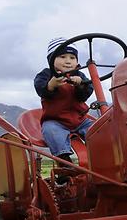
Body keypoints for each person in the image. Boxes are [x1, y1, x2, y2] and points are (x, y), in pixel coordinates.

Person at [34, 37, 94, 165]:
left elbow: (86, 94)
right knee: (51, 131)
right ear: (52, 60)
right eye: (62, 57)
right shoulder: (46, 74)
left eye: (72, 58)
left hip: (80, 120)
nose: (68, 61)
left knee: (98, 130)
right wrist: (51, 85)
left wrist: (80, 85)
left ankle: (101, 157)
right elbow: (40, 89)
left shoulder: (80, 75)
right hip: (56, 120)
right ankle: (64, 161)